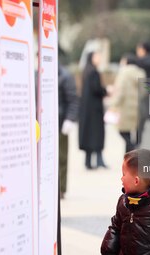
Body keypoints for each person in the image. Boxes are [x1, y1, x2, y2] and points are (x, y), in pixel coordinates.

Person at [108, 54, 146, 152]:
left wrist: (113, 104)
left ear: (126, 61)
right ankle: (129, 157)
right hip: (137, 108)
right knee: (134, 132)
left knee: (123, 132)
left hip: (125, 109)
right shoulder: (141, 72)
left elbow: (120, 92)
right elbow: (144, 92)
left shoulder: (123, 73)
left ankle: (133, 148)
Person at [79, 51, 107, 169]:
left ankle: (88, 161)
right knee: (96, 134)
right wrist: (106, 91)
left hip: (86, 110)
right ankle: (98, 161)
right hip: (95, 110)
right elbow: (97, 89)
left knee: (89, 135)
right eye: (97, 56)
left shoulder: (86, 72)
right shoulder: (94, 72)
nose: (99, 58)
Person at [58, 64, 79, 198]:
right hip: (39, 124)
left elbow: (72, 99)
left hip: (60, 123)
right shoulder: (36, 74)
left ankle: (61, 189)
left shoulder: (64, 76)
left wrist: (69, 119)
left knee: (61, 157)